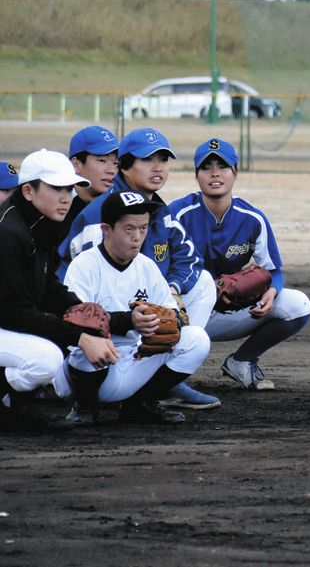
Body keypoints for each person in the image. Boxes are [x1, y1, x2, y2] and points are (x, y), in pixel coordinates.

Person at [59, 127, 221, 410]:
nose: (158, 167)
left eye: (163, 160)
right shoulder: (101, 214)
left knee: (200, 296)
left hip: (137, 327)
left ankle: (149, 395)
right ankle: (85, 405)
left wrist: (172, 293)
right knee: (89, 324)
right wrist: (128, 320)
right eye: (148, 160)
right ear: (126, 166)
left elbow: (190, 257)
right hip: (95, 332)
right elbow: (77, 307)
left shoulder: (158, 209)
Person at [169, 139, 310, 390]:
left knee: (297, 304)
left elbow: (273, 270)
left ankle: (242, 361)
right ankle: (166, 378)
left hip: (226, 310)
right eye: (206, 167)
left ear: (236, 171)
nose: (215, 172)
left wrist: (272, 290)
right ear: (196, 174)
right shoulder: (177, 214)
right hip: (184, 314)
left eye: (223, 166)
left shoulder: (252, 218)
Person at [60, 191, 212, 425]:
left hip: (133, 358)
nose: (138, 237)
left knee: (196, 339)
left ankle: (139, 404)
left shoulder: (147, 267)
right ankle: (84, 407)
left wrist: (161, 323)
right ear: (106, 229)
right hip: (88, 370)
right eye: (129, 229)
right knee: (88, 337)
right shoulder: (85, 265)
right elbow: (76, 320)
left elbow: (172, 313)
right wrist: (130, 320)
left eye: (143, 228)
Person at [0, 150, 111, 431]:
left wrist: (78, 308)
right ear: (28, 190)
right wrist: (80, 336)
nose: (67, 196)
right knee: (45, 358)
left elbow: (46, 285)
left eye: (70, 188)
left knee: (55, 342)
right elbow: (13, 312)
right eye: (56, 187)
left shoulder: (37, 224)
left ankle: (11, 404)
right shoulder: (9, 233)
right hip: (5, 318)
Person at [65, 125, 120, 227]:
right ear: (76, 165)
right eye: (102, 161)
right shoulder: (59, 206)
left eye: (116, 163)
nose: (112, 170)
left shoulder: (120, 207)